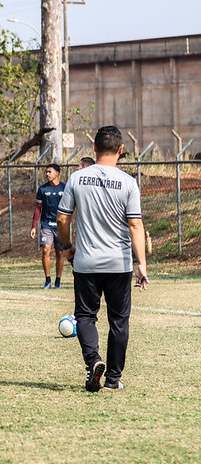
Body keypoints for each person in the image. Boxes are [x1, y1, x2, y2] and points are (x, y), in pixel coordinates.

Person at [57, 125, 148, 392]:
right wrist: (141, 263)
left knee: (85, 316)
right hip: (119, 264)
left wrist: (67, 246)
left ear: (93, 148)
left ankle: (93, 360)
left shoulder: (77, 178)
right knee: (119, 320)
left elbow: (63, 218)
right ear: (121, 150)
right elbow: (135, 225)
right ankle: (112, 379)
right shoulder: (129, 183)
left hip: (85, 262)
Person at [30, 164, 66, 289]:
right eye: (46, 172)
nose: (47, 174)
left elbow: (70, 209)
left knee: (60, 252)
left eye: (50, 172)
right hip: (46, 225)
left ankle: (58, 280)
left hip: (61, 226)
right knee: (45, 250)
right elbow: (37, 209)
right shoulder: (42, 189)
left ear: (57, 173)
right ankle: (48, 280)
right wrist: (34, 226)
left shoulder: (65, 188)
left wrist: (68, 223)